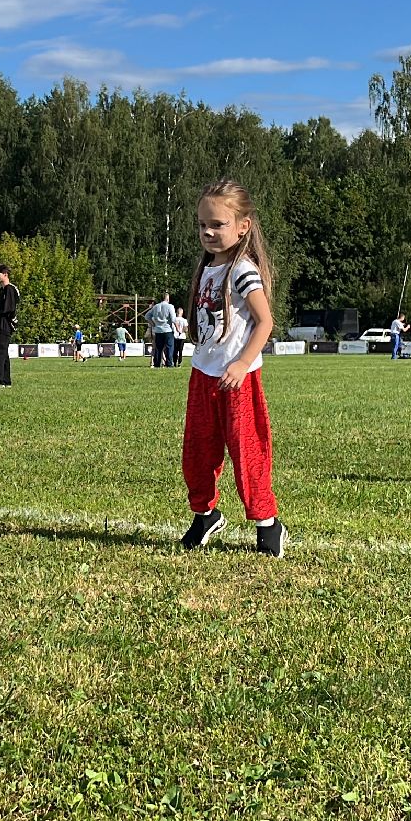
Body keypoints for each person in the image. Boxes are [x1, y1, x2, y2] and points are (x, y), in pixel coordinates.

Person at [180, 179, 285, 558]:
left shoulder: (242, 270)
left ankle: (267, 524)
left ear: (243, 226)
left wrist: (242, 363)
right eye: (202, 224)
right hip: (203, 377)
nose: (208, 232)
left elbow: (265, 321)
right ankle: (204, 515)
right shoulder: (208, 268)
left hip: (238, 381)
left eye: (217, 224)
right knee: (196, 453)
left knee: (247, 455)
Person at [0, 265, 18, 387]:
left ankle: (0, 381)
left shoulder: (9, 289)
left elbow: (7, 310)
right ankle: (6, 381)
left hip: (5, 325)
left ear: (5, 274)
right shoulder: (2, 290)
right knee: (3, 353)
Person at [146, 293, 177, 368]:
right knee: (169, 347)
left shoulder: (156, 307)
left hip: (158, 330)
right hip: (167, 329)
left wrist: (153, 324)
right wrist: (177, 327)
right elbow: (173, 319)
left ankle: (157, 363)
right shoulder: (170, 306)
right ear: (167, 298)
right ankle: (169, 363)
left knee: (158, 348)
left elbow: (147, 316)